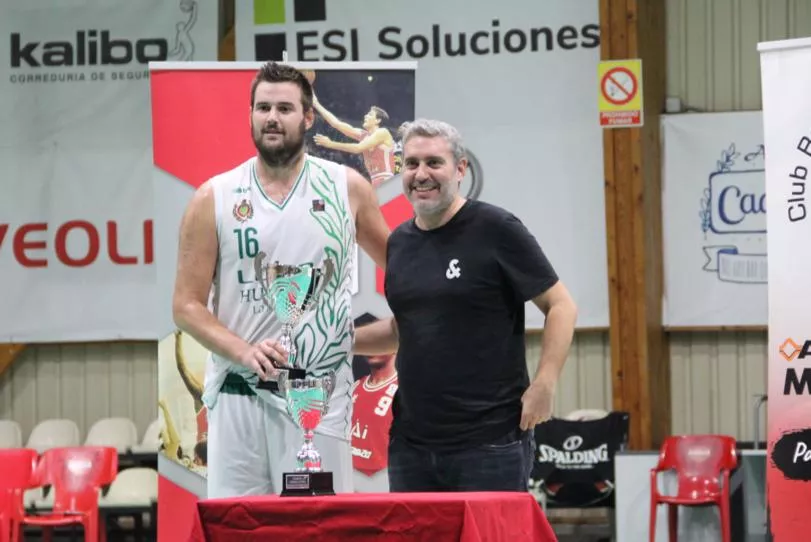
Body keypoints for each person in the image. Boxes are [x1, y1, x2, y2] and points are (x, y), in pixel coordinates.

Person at [172, 61, 390, 498]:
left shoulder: (346, 187)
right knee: (238, 529)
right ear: (251, 114)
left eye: (285, 108)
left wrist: (357, 339)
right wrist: (245, 350)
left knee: (320, 531)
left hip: (318, 396)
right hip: (238, 394)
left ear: (307, 118)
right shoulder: (213, 196)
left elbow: (408, 277)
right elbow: (186, 305)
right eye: (263, 107)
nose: (272, 117)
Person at [353, 118, 578, 493]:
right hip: (412, 446)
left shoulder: (496, 229)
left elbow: (561, 306)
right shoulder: (400, 244)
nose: (421, 174)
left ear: (460, 169)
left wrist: (545, 383)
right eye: (411, 164)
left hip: (490, 444)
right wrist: (338, 340)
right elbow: (401, 329)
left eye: (433, 163)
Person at [312, 97, 398, 186]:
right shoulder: (364, 135)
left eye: (370, 115)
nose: (365, 116)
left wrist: (330, 144)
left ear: (378, 120)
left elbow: (358, 148)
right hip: (374, 181)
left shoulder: (382, 132)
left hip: (387, 180)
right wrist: (316, 104)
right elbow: (336, 124)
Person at [350, 350, 398, 493]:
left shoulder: (406, 390)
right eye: (370, 344)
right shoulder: (354, 387)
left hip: (384, 483)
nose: (374, 348)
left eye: (379, 343)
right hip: (349, 482)